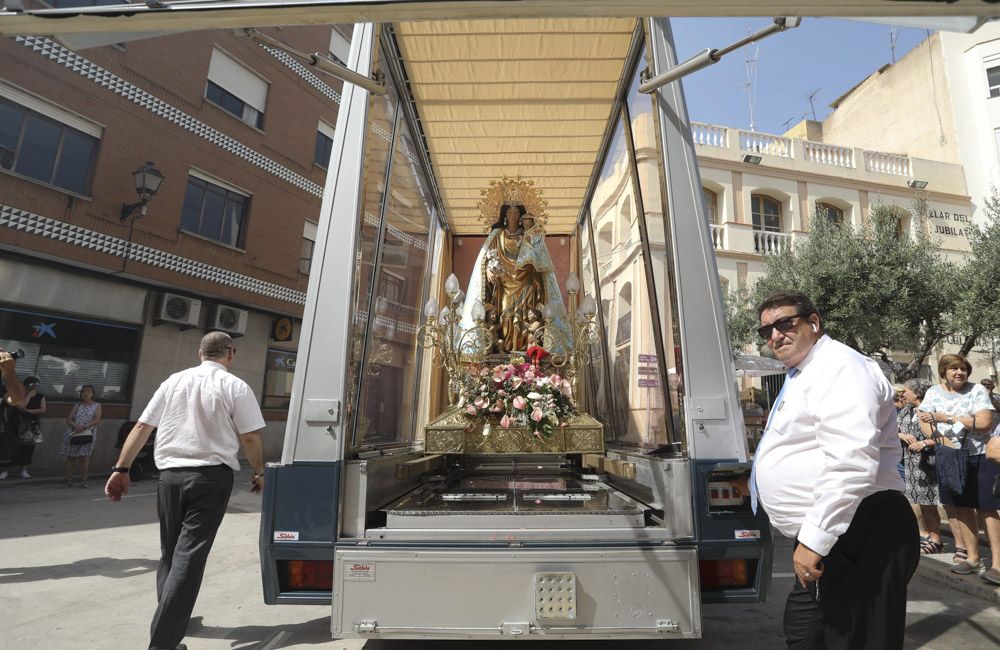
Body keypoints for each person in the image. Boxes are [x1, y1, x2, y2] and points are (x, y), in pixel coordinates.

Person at [746, 290, 918, 649]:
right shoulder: (806, 372)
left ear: (813, 322)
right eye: (767, 331)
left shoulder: (841, 366)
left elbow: (851, 460)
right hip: (834, 533)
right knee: (810, 635)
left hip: (859, 529)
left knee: (853, 639)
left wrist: (815, 539)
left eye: (784, 323)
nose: (775, 335)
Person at [105, 332, 265, 650]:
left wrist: (120, 468)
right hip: (210, 479)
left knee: (170, 554)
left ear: (200, 352)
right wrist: (259, 471)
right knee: (188, 559)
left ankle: (172, 620)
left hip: (170, 478)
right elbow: (249, 437)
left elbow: (141, 427)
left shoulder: (173, 381)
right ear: (231, 353)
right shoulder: (235, 386)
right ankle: (163, 643)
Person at [917, 354, 999, 578]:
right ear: (944, 371)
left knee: (987, 508)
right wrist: (944, 443)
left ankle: (998, 564)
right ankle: (972, 558)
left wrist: (950, 419)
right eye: (953, 369)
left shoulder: (977, 391)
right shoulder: (933, 392)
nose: (959, 373)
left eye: (963, 369)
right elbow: (924, 420)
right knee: (961, 507)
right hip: (950, 456)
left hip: (979, 455)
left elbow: (983, 423)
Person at [461, 203, 569, 353]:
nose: (513, 215)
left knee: (527, 315)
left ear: (521, 215)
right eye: (510, 212)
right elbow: (486, 257)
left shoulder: (528, 234)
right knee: (505, 313)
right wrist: (488, 271)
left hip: (526, 280)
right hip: (504, 282)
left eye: (516, 212)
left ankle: (525, 350)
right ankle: (505, 350)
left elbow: (539, 255)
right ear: (505, 215)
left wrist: (534, 235)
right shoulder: (497, 234)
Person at [896, 378, 942, 554]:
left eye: (906, 390)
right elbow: (892, 428)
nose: (903, 394)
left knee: (929, 503)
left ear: (917, 392)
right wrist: (901, 435)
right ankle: (928, 536)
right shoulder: (906, 411)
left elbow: (945, 436)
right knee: (919, 502)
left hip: (929, 463)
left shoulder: (932, 409)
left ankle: (936, 538)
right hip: (911, 464)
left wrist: (924, 443)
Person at [0, 377, 46, 480]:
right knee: (11, 446)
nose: (34, 388)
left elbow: (43, 409)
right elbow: (21, 407)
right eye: (32, 386)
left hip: (31, 425)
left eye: (36, 386)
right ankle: (5, 470)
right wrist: (29, 396)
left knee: (28, 447)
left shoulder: (40, 396)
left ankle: (23, 469)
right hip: (16, 424)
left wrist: (29, 411)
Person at [61, 384, 101, 488]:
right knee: (71, 458)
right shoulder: (77, 405)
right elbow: (69, 419)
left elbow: (97, 419)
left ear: (92, 394)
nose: (86, 394)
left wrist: (84, 427)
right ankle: (69, 480)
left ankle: (83, 481)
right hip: (74, 433)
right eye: (84, 392)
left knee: (84, 458)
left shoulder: (97, 406)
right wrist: (76, 426)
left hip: (87, 433)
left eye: (88, 392)